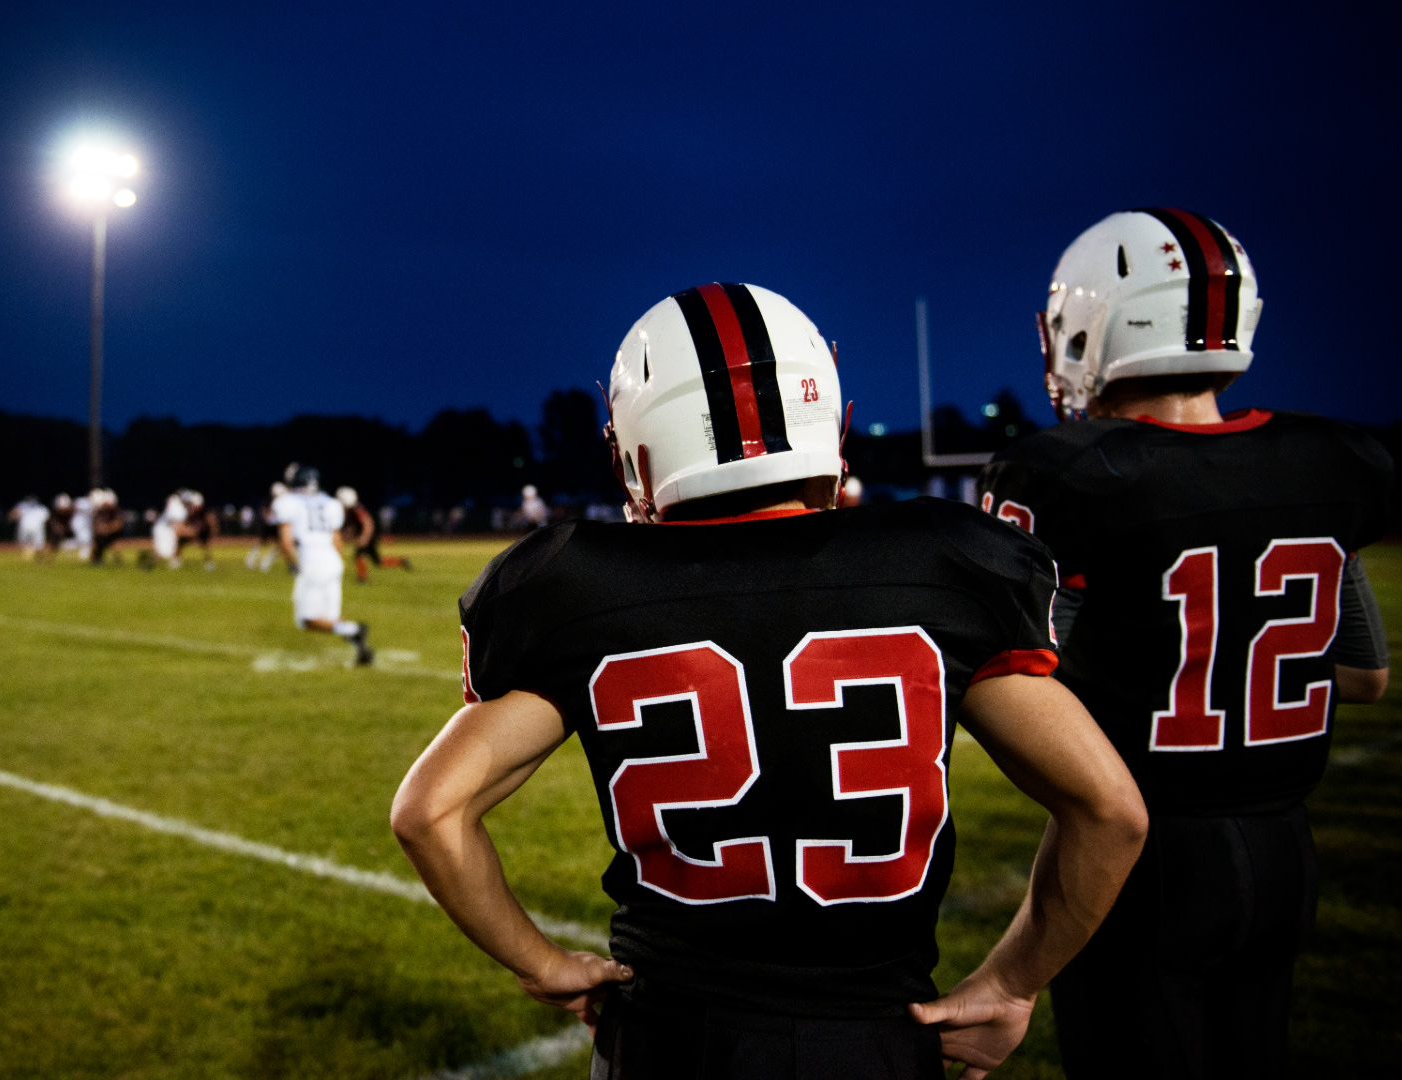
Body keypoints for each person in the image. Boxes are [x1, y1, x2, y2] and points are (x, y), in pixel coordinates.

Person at [391, 283, 1149, 1080]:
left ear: (636, 451)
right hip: (874, 1038)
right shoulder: (941, 568)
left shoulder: (577, 588)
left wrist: (540, 963)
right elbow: (1111, 811)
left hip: (668, 1038)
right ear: (834, 428)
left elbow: (429, 812)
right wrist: (1009, 985)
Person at [977, 208, 1393, 1080]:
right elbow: (1364, 674)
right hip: (1285, 852)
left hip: (1142, 858)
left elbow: (1022, 673)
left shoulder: (1067, 473)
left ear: (1096, 325)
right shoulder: (1328, 458)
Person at [273, 466, 373, 666]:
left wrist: (292, 564)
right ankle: (360, 650)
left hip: (312, 561)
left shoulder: (287, 502)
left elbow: (285, 540)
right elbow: (337, 541)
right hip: (332, 561)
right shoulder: (330, 503)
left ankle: (354, 630)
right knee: (331, 617)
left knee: (306, 619)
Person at [337, 486, 409, 583]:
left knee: (359, 555)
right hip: (368, 535)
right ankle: (401, 561)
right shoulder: (351, 510)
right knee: (378, 562)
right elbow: (353, 528)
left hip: (369, 535)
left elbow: (368, 523)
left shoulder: (357, 509)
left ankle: (362, 578)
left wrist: (364, 538)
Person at [246, 482, 286, 572]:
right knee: (260, 542)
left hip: (276, 525)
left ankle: (265, 562)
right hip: (269, 525)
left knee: (280, 546)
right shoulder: (271, 501)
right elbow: (265, 511)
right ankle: (251, 559)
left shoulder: (280, 501)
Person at [148, 489, 189, 570]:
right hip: (164, 529)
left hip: (163, 527)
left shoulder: (176, 504)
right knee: (166, 550)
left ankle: (151, 563)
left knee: (164, 550)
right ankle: (152, 563)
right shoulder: (179, 508)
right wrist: (188, 531)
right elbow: (176, 524)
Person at [11, 495, 51, 561]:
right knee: (25, 544)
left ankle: (37, 557)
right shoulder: (23, 506)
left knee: (38, 545)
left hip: (35, 528)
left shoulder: (41, 509)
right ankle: (28, 556)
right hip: (28, 528)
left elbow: (47, 519)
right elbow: (14, 514)